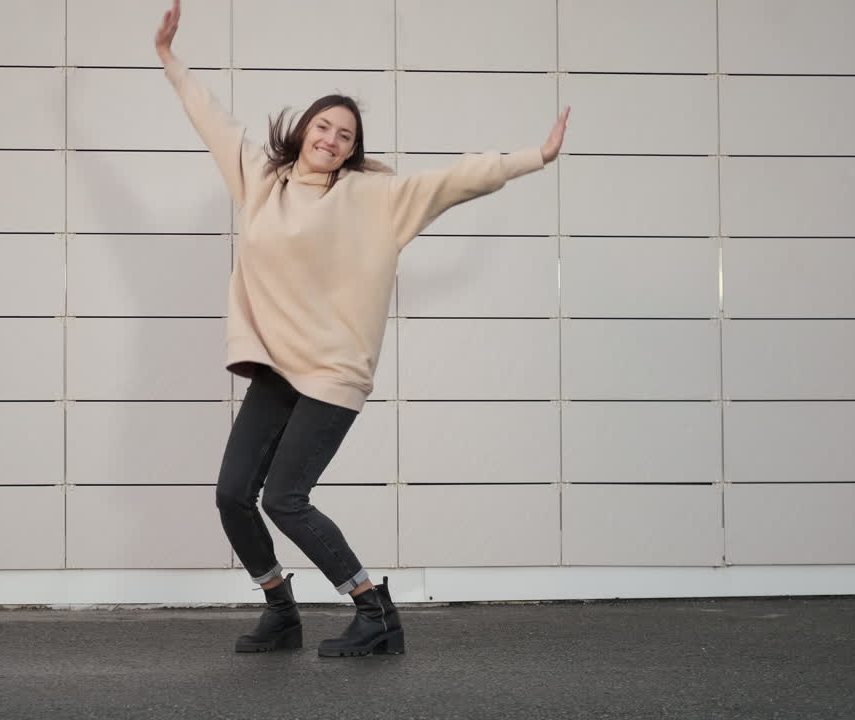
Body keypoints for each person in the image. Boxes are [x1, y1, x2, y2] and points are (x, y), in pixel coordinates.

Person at [154, 0, 570, 658]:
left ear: (354, 149)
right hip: (276, 366)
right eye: (325, 126)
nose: (332, 139)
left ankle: (373, 611)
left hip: (331, 371)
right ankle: (280, 611)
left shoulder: (372, 199)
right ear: (304, 130)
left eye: (345, 135)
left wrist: (533, 156)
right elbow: (214, 119)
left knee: (285, 498)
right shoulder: (262, 180)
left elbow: (452, 181)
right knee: (234, 495)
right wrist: (172, 61)